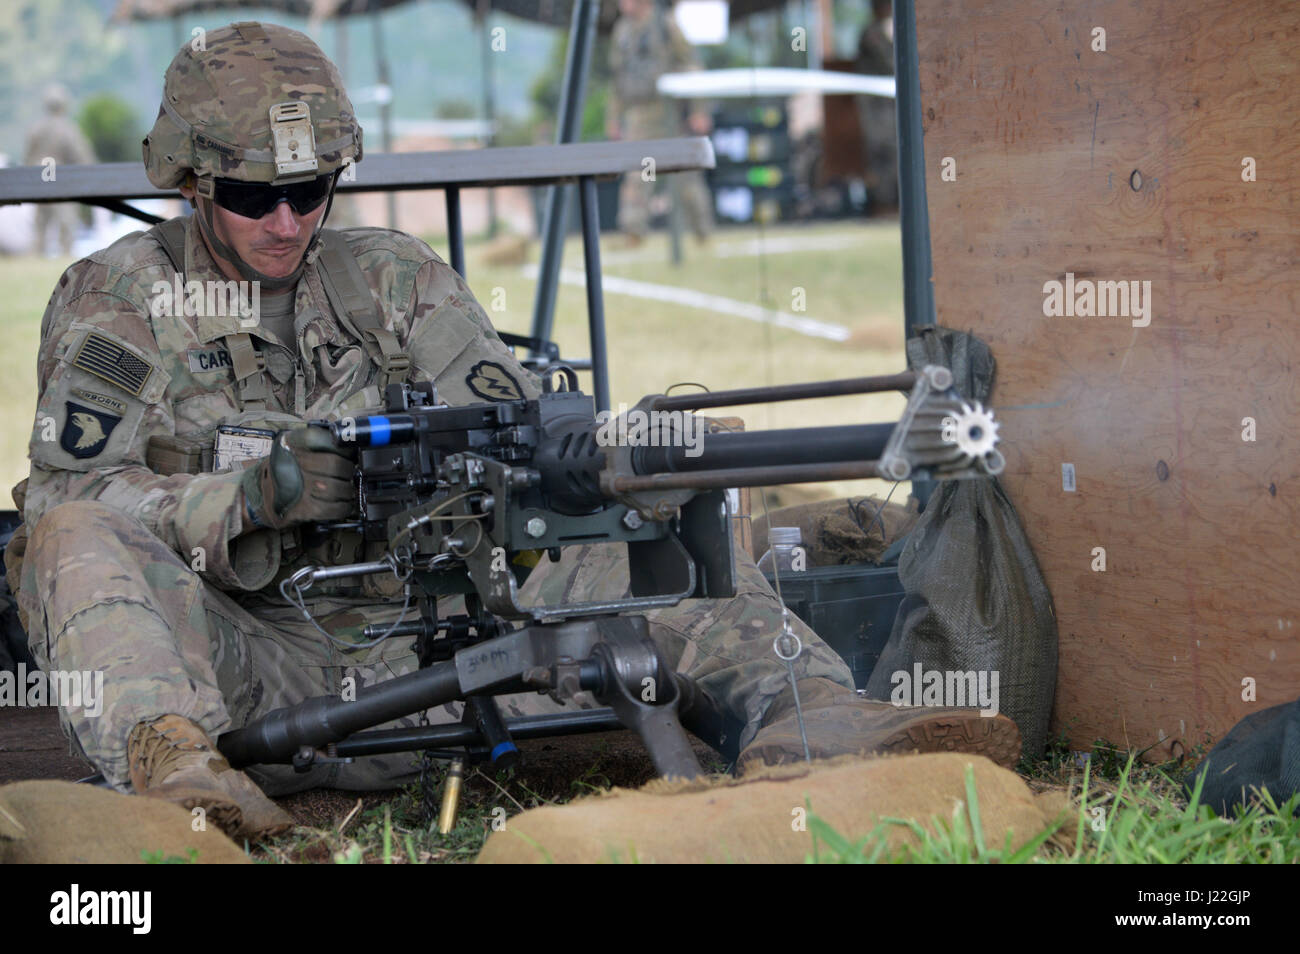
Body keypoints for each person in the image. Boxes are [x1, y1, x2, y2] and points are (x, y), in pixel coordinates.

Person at [10, 22, 1020, 841]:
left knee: (643, 519)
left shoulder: (395, 280)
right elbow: (67, 499)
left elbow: (523, 429)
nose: (285, 220)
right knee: (69, 545)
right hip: (252, 668)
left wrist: (615, 465)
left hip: (440, 641)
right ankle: (184, 780)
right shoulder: (120, 300)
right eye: (249, 195)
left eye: (310, 190)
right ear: (188, 181)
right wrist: (242, 500)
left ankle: (807, 715)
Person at [607, 0, 714, 246]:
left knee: (685, 175)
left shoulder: (666, 24)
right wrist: (613, 118)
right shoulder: (622, 31)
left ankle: (702, 231)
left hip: (668, 113)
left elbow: (691, 65)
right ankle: (633, 231)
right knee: (640, 174)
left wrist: (699, 109)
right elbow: (617, 78)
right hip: (638, 115)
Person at [23, 84, 96, 257]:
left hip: (39, 181)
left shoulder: (36, 128)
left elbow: (28, 157)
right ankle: (65, 254)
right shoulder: (68, 129)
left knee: (41, 223)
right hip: (61, 182)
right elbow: (82, 156)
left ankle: (37, 255)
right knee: (66, 223)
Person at [855, 0, 898, 212]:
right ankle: (885, 204)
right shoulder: (872, 34)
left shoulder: (895, 30)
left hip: (892, 108)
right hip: (877, 109)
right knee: (882, 156)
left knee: (897, 153)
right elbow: (890, 63)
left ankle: (896, 202)